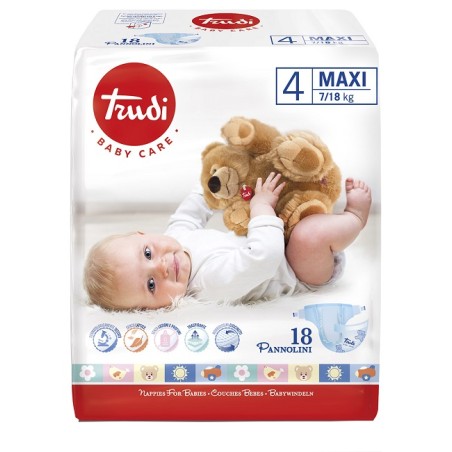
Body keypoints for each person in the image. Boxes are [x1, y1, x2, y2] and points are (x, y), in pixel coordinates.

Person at [84, 173, 371, 310]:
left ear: (142, 234)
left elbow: (194, 207)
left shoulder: (176, 237)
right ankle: (355, 216)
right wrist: (261, 208)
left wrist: (219, 179)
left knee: (284, 190)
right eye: (151, 285)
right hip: (299, 270)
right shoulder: (210, 284)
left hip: (276, 235)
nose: (160, 267)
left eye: (147, 253)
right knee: (309, 236)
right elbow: (264, 258)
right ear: (153, 309)